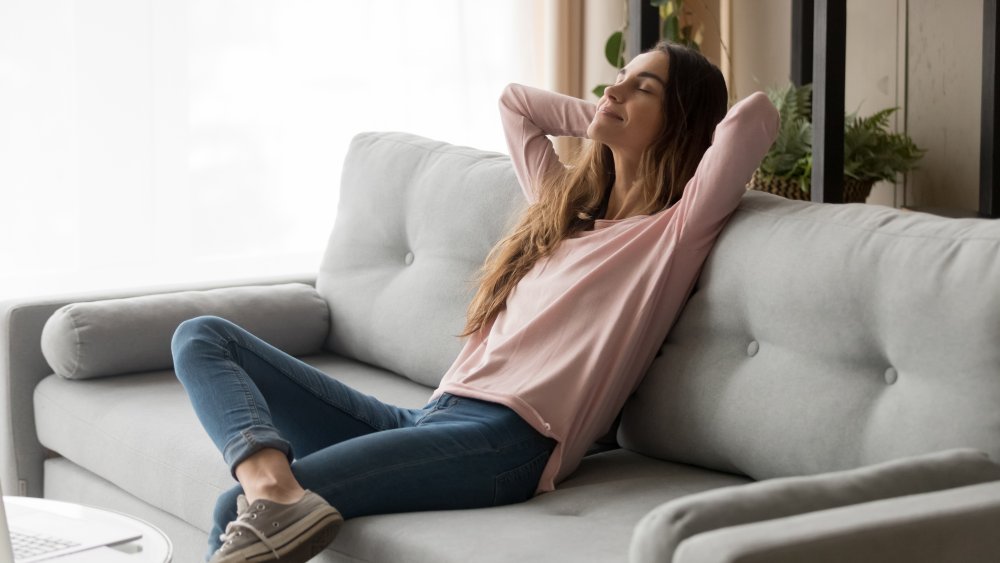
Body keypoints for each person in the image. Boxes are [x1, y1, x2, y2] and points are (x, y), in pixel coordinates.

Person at [171, 40, 779, 563]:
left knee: (235, 503)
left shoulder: (671, 232)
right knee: (201, 337)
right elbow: (516, 103)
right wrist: (606, 109)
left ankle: (273, 495)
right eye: (615, 79)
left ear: (680, 120)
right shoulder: (563, 211)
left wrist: (633, 115)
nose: (614, 90)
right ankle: (275, 486)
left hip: (508, 442)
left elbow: (755, 117)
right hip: (431, 418)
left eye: (641, 87)